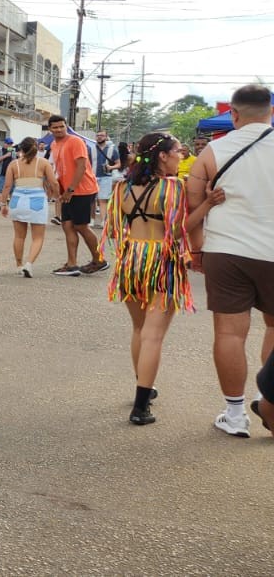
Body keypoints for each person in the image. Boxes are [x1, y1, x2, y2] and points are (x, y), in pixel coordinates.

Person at [104, 133, 223, 425]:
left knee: (140, 328)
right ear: (162, 156)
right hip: (162, 262)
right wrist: (206, 206)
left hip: (130, 259)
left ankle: (142, 389)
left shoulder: (123, 187)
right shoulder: (173, 188)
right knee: (153, 334)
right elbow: (179, 231)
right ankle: (141, 407)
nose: (181, 157)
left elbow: (117, 229)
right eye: (177, 152)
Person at [187, 84, 274, 438]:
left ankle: (235, 415)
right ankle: (267, 399)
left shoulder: (212, 150)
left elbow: (194, 207)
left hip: (226, 250)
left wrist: (196, 251)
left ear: (233, 114)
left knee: (229, 332)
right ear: (270, 112)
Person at [48, 115, 106, 277]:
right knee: (67, 225)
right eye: (55, 127)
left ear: (66, 126)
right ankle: (71, 264)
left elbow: (81, 166)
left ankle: (99, 260)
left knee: (81, 226)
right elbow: (61, 168)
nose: (59, 129)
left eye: (62, 126)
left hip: (82, 189)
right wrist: (60, 188)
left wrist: (71, 189)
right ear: (50, 129)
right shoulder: (54, 144)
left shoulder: (75, 141)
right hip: (68, 191)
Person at [3, 138, 60, 277]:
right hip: (37, 200)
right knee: (38, 237)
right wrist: (57, 196)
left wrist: (3, 203)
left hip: (17, 200)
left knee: (19, 236)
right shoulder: (44, 163)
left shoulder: (13, 164)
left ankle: (18, 265)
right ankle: (29, 264)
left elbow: (7, 186)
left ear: (21, 149)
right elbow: (53, 183)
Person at [94, 131, 121, 228]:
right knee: (92, 200)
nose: (99, 137)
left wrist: (110, 167)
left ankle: (103, 221)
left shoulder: (112, 149)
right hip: (92, 177)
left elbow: (118, 164)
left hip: (106, 177)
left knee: (102, 200)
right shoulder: (91, 148)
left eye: (101, 135)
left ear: (106, 137)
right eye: (98, 135)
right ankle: (91, 220)